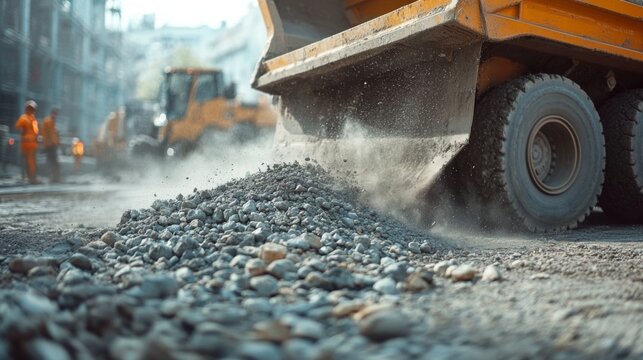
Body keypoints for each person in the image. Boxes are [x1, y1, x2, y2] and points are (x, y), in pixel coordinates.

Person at [14, 100, 41, 184]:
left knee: (32, 162)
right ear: (27, 108)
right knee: (27, 161)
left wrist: (37, 139)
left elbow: (35, 131)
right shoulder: (24, 118)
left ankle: (32, 177)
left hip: (32, 144)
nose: (31, 110)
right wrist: (24, 129)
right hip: (26, 144)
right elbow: (17, 126)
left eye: (32, 109)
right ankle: (29, 177)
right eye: (30, 108)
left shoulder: (33, 119)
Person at [41, 107, 61, 182]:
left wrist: (58, 142)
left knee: (54, 161)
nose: (56, 115)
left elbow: (55, 134)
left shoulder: (53, 121)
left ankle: (55, 177)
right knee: (53, 162)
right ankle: (53, 177)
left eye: (57, 114)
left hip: (53, 145)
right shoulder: (48, 121)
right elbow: (45, 133)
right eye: (55, 114)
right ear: (52, 113)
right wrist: (47, 143)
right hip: (50, 145)